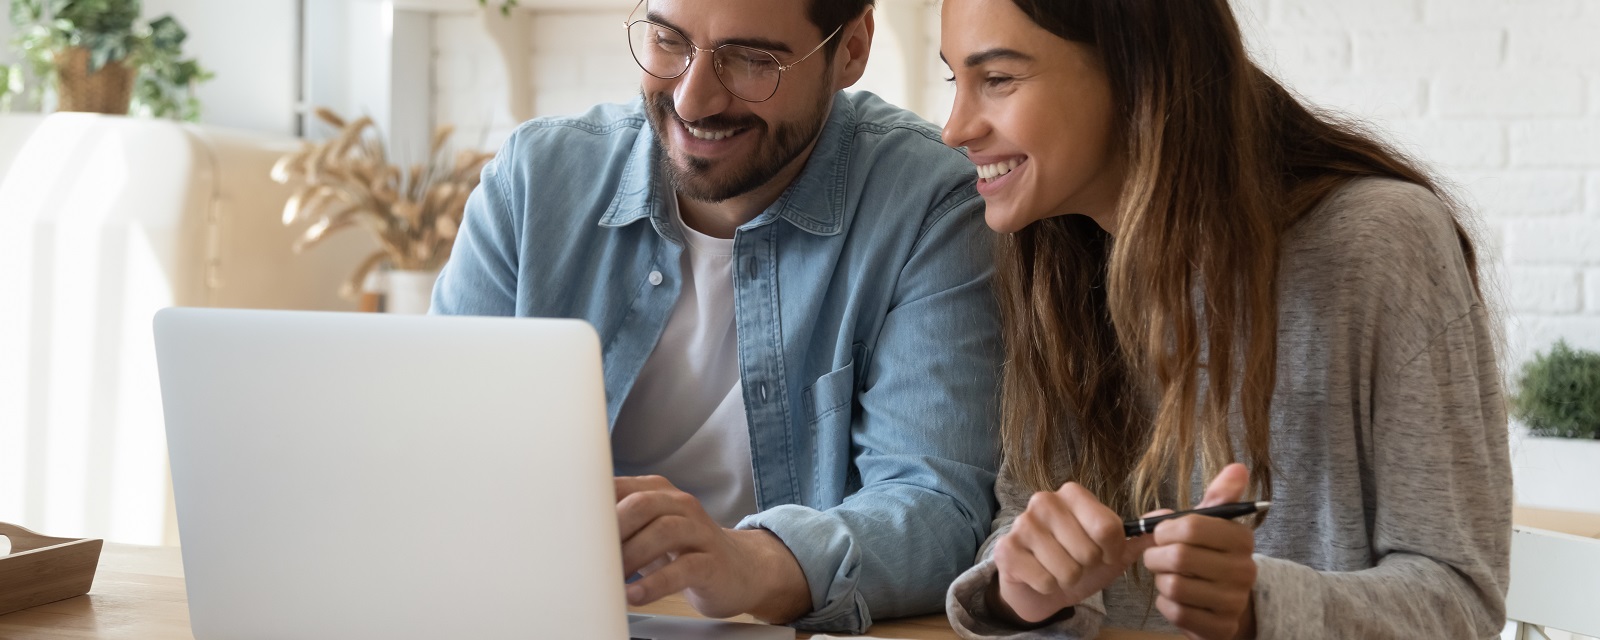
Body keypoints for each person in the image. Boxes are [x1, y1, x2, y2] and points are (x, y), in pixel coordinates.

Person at [936, 0, 1511, 638]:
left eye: (998, 79)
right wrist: (1020, 592)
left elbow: (1461, 599)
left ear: (1137, 70)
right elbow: (1022, 520)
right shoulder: (1058, 264)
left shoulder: (1381, 242)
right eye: (952, 80)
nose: (954, 128)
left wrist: (1259, 608)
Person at [431, 0, 1002, 633]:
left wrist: (750, 562)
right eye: (667, 40)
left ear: (852, 48)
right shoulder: (533, 182)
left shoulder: (931, 205)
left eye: (753, 60)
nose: (692, 100)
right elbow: (430, 456)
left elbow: (938, 510)